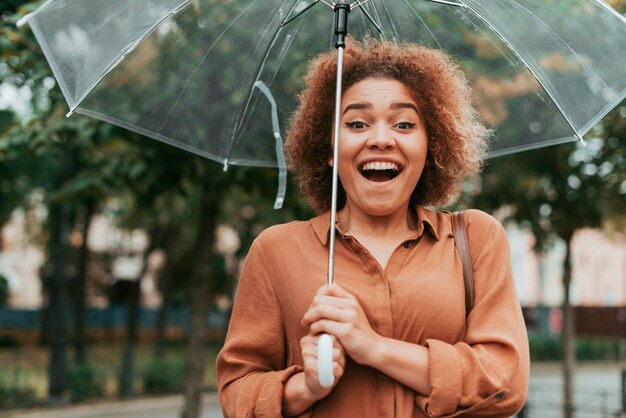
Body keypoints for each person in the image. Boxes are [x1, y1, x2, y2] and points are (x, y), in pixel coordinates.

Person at [217, 39, 529, 418]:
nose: (381, 139)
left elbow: (505, 384)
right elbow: (237, 394)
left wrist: (373, 347)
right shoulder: (275, 251)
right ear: (329, 146)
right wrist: (305, 387)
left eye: (404, 124)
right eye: (357, 123)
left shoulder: (477, 239)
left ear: (431, 145)